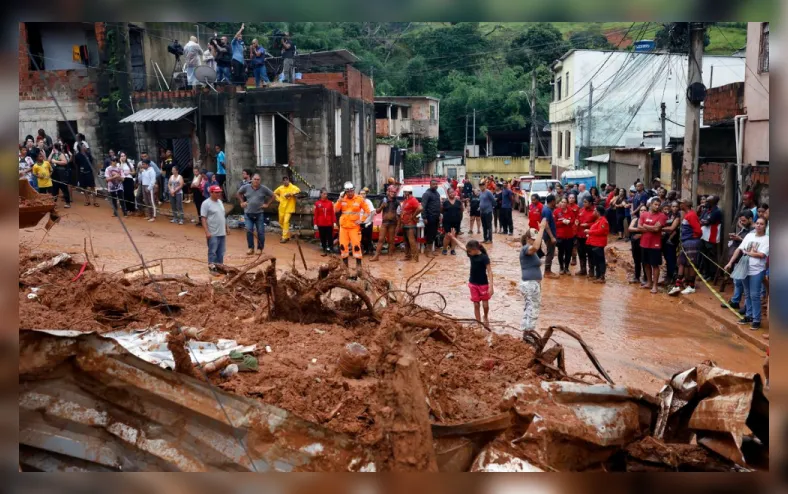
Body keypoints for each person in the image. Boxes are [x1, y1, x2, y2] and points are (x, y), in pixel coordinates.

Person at [725, 218, 769, 330]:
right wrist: (730, 262)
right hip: (745, 268)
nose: (759, 226)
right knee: (748, 294)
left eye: (762, 224)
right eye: (757, 223)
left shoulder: (767, 239)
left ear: (765, 226)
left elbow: (762, 255)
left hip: (757, 270)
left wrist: (748, 253)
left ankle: (756, 319)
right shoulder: (749, 236)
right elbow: (739, 249)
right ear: (754, 225)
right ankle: (748, 316)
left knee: (755, 295)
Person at [447, 237, 494, 326]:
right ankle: (478, 323)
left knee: (485, 305)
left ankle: (485, 316)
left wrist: (491, 287)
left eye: (469, 251)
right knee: (476, 305)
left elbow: (490, 272)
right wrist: (453, 238)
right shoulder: (471, 254)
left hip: (483, 284)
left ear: (475, 249)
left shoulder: (484, 258)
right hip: (473, 284)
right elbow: (461, 246)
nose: (468, 252)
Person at [334, 182, 371, 277]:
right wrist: (339, 200)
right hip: (344, 227)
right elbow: (336, 210)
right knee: (343, 246)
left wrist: (361, 220)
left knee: (356, 246)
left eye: (351, 191)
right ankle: (345, 268)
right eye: (348, 191)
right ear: (345, 191)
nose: (350, 193)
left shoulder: (359, 199)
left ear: (354, 190)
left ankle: (359, 267)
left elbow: (367, 211)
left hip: (354, 227)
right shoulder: (342, 199)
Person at [668, 199, 703, 296]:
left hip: (691, 242)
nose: (679, 205)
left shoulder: (691, 215)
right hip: (685, 242)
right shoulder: (687, 215)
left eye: (680, 203)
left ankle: (691, 286)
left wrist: (692, 239)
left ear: (685, 205)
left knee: (690, 264)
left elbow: (698, 231)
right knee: (681, 262)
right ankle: (677, 285)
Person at [519, 219, 547, 336]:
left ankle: (527, 331)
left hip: (532, 284)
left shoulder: (532, 251)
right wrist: (542, 229)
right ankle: (528, 333)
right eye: (533, 239)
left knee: (530, 308)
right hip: (530, 284)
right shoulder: (526, 248)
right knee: (532, 308)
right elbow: (535, 247)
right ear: (528, 239)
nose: (536, 241)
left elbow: (539, 249)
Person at [722, 210, 754, 312]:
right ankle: (735, 301)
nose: (742, 223)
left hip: (746, 260)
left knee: (747, 287)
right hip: (738, 260)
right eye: (741, 221)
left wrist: (739, 238)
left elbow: (749, 245)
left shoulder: (753, 231)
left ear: (750, 219)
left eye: (744, 220)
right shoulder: (745, 229)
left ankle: (747, 308)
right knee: (737, 281)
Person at [237, 172, 274, 255]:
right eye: (255, 179)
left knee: (260, 232)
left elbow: (273, 195)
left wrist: (267, 204)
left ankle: (260, 248)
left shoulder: (263, 189)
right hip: (248, 213)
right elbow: (238, 193)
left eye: (258, 179)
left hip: (259, 214)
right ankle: (250, 248)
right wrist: (242, 202)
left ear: (260, 181)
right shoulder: (246, 187)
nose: (256, 181)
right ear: (252, 180)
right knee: (249, 230)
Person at [638, 197, 666, 293]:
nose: (657, 207)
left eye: (658, 205)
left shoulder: (662, 216)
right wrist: (651, 227)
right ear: (650, 204)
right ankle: (649, 282)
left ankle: (655, 286)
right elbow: (639, 227)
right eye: (655, 204)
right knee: (645, 264)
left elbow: (656, 230)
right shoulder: (644, 214)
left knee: (655, 265)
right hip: (644, 243)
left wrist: (645, 226)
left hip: (655, 244)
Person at [201, 185, 228, 273]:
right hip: (213, 232)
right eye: (216, 192)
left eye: (219, 192)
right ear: (211, 193)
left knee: (221, 252)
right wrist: (207, 232)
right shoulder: (206, 203)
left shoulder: (220, 202)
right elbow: (203, 218)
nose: (219, 194)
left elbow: (223, 215)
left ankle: (220, 268)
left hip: (221, 232)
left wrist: (226, 227)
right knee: (212, 252)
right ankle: (212, 269)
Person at [371, 185, 400, 261]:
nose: (393, 193)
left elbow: (399, 214)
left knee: (391, 240)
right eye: (391, 192)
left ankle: (390, 256)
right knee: (380, 239)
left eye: (394, 192)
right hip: (384, 223)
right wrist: (382, 206)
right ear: (388, 192)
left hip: (393, 223)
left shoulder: (397, 202)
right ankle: (376, 256)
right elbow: (377, 211)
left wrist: (398, 225)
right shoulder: (383, 200)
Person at [699, 195, 723, 280]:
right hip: (704, 236)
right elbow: (700, 219)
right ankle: (706, 273)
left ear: (713, 202)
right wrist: (703, 221)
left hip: (711, 237)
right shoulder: (706, 210)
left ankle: (712, 275)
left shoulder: (716, 211)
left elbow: (707, 222)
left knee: (711, 256)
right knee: (704, 255)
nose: (706, 203)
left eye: (708, 201)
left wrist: (703, 221)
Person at [273, 175, 301, 243]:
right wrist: (279, 199)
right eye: (284, 180)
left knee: (286, 222)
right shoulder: (280, 188)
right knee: (281, 222)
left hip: (289, 208)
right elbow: (274, 193)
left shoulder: (293, 187)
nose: (285, 181)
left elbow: (298, 191)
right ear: (282, 181)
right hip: (282, 208)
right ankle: (288, 235)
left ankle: (284, 237)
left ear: (289, 180)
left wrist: (290, 194)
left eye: (287, 180)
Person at [586, 205, 610, 283]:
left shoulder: (603, 221)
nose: (593, 212)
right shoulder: (598, 220)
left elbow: (601, 231)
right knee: (596, 260)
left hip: (599, 243)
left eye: (595, 210)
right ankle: (598, 276)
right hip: (594, 242)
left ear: (598, 212)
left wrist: (589, 232)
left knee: (600, 260)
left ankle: (602, 277)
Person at [553, 197, 576, 275]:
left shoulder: (571, 211)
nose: (563, 203)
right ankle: (561, 267)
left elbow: (573, 221)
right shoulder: (556, 212)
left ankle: (566, 267)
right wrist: (562, 222)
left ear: (567, 203)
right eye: (562, 202)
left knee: (568, 252)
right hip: (560, 236)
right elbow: (554, 224)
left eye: (564, 202)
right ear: (560, 203)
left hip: (569, 236)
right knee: (561, 252)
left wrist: (569, 222)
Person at [399, 185, 422, 262]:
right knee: (406, 241)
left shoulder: (413, 200)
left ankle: (415, 258)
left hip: (411, 224)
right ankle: (407, 256)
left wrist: (414, 216)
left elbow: (420, 208)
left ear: (408, 192)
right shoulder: (406, 200)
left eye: (404, 192)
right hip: (405, 223)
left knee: (412, 241)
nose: (404, 193)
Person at [662, 201, 681, 286]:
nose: (674, 208)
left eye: (676, 206)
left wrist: (660, 228)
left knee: (671, 259)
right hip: (665, 239)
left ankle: (672, 278)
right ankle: (669, 276)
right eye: (673, 206)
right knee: (667, 258)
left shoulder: (678, 217)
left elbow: (672, 228)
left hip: (672, 241)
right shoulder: (669, 214)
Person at [576, 196, 595, 277]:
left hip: (589, 236)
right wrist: (576, 221)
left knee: (590, 254)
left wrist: (588, 225)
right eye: (583, 202)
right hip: (580, 235)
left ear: (590, 203)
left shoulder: (594, 211)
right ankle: (583, 269)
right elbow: (577, 219)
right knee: (581, 253)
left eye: (585, 202)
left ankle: (591, 271)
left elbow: (597, 223)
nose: (583, 203)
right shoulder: (581, 210)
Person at [421, 179, 442, 256]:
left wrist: (439, 215)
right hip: (429, 217)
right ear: (430, 185)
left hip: (436, 216)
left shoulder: (437, 194)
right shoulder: (427, 194)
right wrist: (424, 217)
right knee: (429, 234)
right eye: (433, 184)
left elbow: (438, 205)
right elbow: (423, 206)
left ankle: (431, 250)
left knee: (434, 234)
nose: (435, 185)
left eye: (436, 184)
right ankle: (427, 251)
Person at [441, 187, 464, 255]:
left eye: (453, 192)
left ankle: (452, 250)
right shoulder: (445, 202)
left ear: (454, 192)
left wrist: (460, 218)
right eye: (450, 193)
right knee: (448, 235)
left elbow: (462, 210)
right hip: (447, 221)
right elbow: (441, 211)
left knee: (454, 235)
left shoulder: (458, 201)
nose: (452, 194)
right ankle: (444, 249)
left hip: (456, 221)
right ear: (447, 194)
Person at [628, 205, 647, 284]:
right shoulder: (635, 219)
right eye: (641, 210)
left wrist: (640, 234)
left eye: (644, 210)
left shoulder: (648, 220)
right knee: (636, 261)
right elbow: (629, 228)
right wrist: (639, 229)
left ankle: (646, 278)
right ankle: (637, 277)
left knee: (645, 261)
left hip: (644, 243)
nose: (642, 211)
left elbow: (649, 231)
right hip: (635, 243)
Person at [74, 143, 98, 207]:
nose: (85, 147)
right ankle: (87, 200)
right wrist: (78, 175)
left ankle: (95, 201)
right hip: (82, 173)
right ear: (80, 148)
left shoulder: (88, 154)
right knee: (84, 188)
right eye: (84, 146)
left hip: (89, 172)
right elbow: (77, 166)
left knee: (92, 187)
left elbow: (92, 162)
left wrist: (94, 171)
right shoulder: (77, 156)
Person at [49, 143, 71, 208]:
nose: (53, 149)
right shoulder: (52, 154)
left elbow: (65, 162)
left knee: (64, 188)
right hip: (54, 174)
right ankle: (54, 203)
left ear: (55, 148)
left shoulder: (60, 154)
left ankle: (68, 202)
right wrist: (51, 153)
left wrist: (56, 161)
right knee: (54, 189)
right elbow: (48, 160)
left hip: (61, 174)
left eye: (53, 148)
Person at [541, 194, 559, 279]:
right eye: (555, 201)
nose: (555, 202)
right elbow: (546, 224)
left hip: (547, 235)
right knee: (550, 253)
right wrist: (552, 237)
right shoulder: (547, 211)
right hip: (549, 235)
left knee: (550, 252)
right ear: (552, 201)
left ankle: (548, 270)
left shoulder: (546, 209)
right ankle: (547, 271)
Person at [314, 188, 335, 256]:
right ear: (321, 194)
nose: (325, 195)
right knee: (322, 237)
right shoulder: (317, 203)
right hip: (321, 223)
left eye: (326, 194)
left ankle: (331, 249)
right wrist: (315, 223)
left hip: (329, 223)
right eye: (324, 194)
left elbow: (332, 213)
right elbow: (316, 214)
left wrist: (334, 222)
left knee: (330, 237)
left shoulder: (330, 203)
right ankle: (324, 249)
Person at [359, 188, 375, 255]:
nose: (363, 195)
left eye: (364, 194)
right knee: (361, 238)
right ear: (359, 194)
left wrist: (370, 221)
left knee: (368, 237)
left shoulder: (368, 202)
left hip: (367, 223)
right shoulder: (357, 202)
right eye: (361, 194)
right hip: (360, 223)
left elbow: (373, 211)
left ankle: (370, 250)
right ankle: (363, 250)